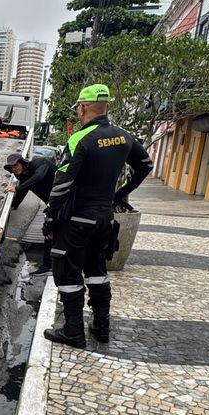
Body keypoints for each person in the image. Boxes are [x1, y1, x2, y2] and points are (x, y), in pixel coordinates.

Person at [42, 84, 153, 347]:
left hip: (78, 219)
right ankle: (102, 327)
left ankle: (73, 332)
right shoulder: (124, 137)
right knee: (96, 271)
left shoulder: (81, 139)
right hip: (105, 217)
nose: (78, 112)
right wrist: (120, 194)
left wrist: (50, 216)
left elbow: (62, 183)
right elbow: (145, 165)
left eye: (79, 108)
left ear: (83, 107)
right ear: (106, 107)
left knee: (68, 275)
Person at [3, 151, 57, 275]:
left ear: (23, 162)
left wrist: (16, 188)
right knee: (49, 232)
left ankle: (50, 265)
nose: (14, 169)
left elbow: (39, 177)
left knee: (52, 232)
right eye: (11, 167)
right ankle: (49, 264)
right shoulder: (24, 178)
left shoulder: (40, 163)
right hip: (53, 204)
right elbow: (21, 194)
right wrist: (11, 206)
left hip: (66, 199)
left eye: (16, 165)